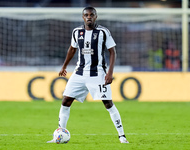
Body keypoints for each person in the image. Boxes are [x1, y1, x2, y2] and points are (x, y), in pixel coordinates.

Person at [47, 6, 129, 144]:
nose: (89, 17)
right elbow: (72, 49)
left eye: (92, 15)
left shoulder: (103, 32)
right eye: (86, 15)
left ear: (95, 17)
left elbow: (112, 51)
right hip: (79, 73)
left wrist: (109, 73)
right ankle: (60, 134)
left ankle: (122, 136)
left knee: (108, 103)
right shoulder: (76, 32)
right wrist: (64, 66)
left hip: (97, 74)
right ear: (83, 17)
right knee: (66, 101)